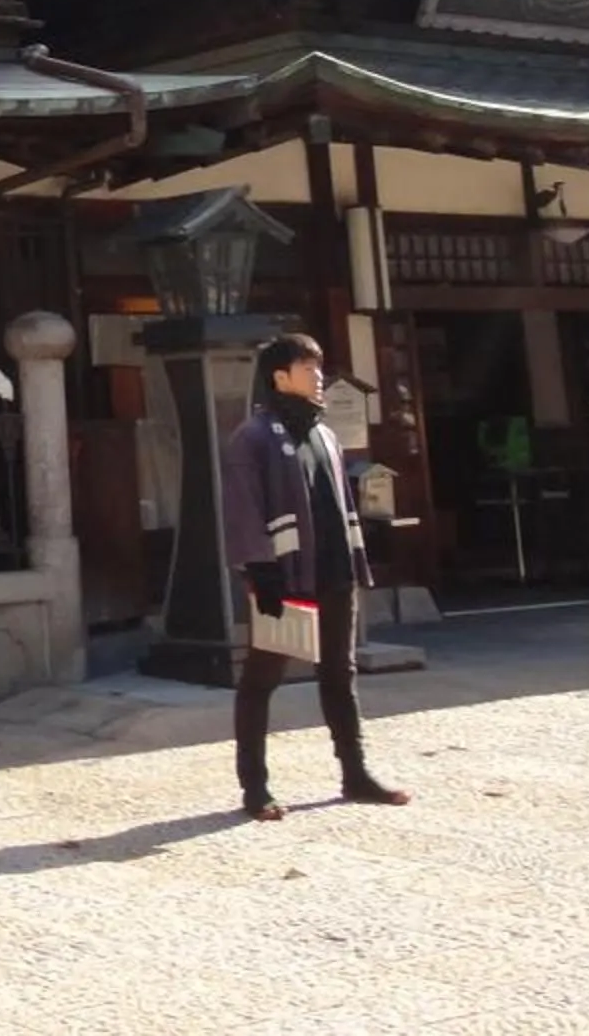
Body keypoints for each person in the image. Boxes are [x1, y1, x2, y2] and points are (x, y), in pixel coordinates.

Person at [222, 332, 408, 821]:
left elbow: (340, 504)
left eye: (319, 368)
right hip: (284, 576)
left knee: (339, 674)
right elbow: (242, 508)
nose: (319, 376)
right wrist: (261, 571)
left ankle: (356, 774)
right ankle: (255, 787)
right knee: (263, 678)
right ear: (280, 377)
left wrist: (358, 558)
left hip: (333, 570)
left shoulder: (324, 434)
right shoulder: (253, 437)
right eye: (309, 369)